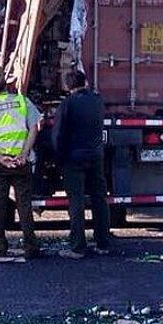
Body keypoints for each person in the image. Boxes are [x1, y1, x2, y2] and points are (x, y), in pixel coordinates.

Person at [0, 64, 41, 259]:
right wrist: (23, 154)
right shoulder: (23, 102)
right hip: (22, 163)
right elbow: (34, 128)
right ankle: (30, 246)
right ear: (5, 83)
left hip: (0, 164)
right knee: (24, 205)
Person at [52, 70, 111, 259]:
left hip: (74, 158)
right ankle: (103, 243)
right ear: (85, 82)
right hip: (96, 156)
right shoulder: (97, 100)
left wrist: (59, 158)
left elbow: (59, 134)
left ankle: (77, 247)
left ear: (68, 86)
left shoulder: (67, 104)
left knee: (76, 200)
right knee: (99, 198)